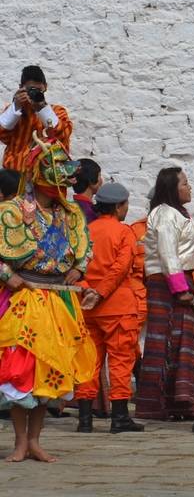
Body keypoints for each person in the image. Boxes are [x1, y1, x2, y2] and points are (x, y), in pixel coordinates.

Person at [0, 134, 99, 461]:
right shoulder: (12, 210)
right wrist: (7, 275)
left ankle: (36, 440)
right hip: (23, 298)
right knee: (23, 372)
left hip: (58, 300)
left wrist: (79, 270)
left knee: (50, 373)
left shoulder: (69, 214)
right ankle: (19, 442)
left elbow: (84, 249)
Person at [74, 181, 146, 433]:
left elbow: (74, 267)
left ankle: (84, 420)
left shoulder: (85, 230)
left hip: (87, 307)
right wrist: (102, 292)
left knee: (88, 362)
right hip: (117, 306)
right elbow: (121, 267)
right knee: (120, 362)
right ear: (118, 206)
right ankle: (119, 417)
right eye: (125, 204)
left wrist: (88, 290)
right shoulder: (124, 232)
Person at [138, 166, 194, 421]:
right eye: (185, 183)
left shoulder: (181, 214)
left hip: (178, 281)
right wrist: (180, 289)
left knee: (181, 341)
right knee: (163, 341)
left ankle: (179, 401)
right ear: (172, 188)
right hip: (168, 284)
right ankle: (156, 403)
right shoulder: (165, 214)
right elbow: (167, 253)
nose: (189, 187)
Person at [0, 65, 73, 172]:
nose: (34, 93)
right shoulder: (15, 111)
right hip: (16, 175)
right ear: (21, 88)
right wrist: (16, 106)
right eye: (30, 89)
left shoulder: (58, 111)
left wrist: (42, 108)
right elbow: (2, 135)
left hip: (45, 178)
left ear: (45, 87)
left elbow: (62, 136)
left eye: (38, 90)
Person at [72, 158, 101, 223]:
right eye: (99, 176)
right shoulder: (90, 212)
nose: (101, 181)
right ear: (91, 181)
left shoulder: (71, 206)